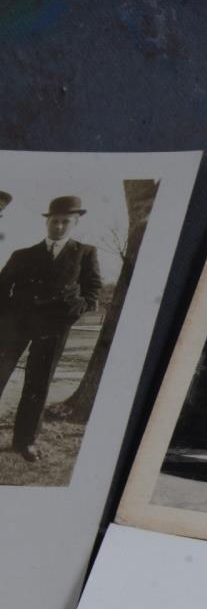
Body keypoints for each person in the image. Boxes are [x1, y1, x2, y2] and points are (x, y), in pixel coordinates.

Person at [0, 196, 102, 461]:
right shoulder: (22, 254)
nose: (58, 226)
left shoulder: (85, 252)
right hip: (15, 327)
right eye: (54, 221)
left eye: (65, 222)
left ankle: (25, 441)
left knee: (38, 384)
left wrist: (72, 310)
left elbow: (93, 292)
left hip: (53, 328)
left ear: (75, 222)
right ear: (47, 222)